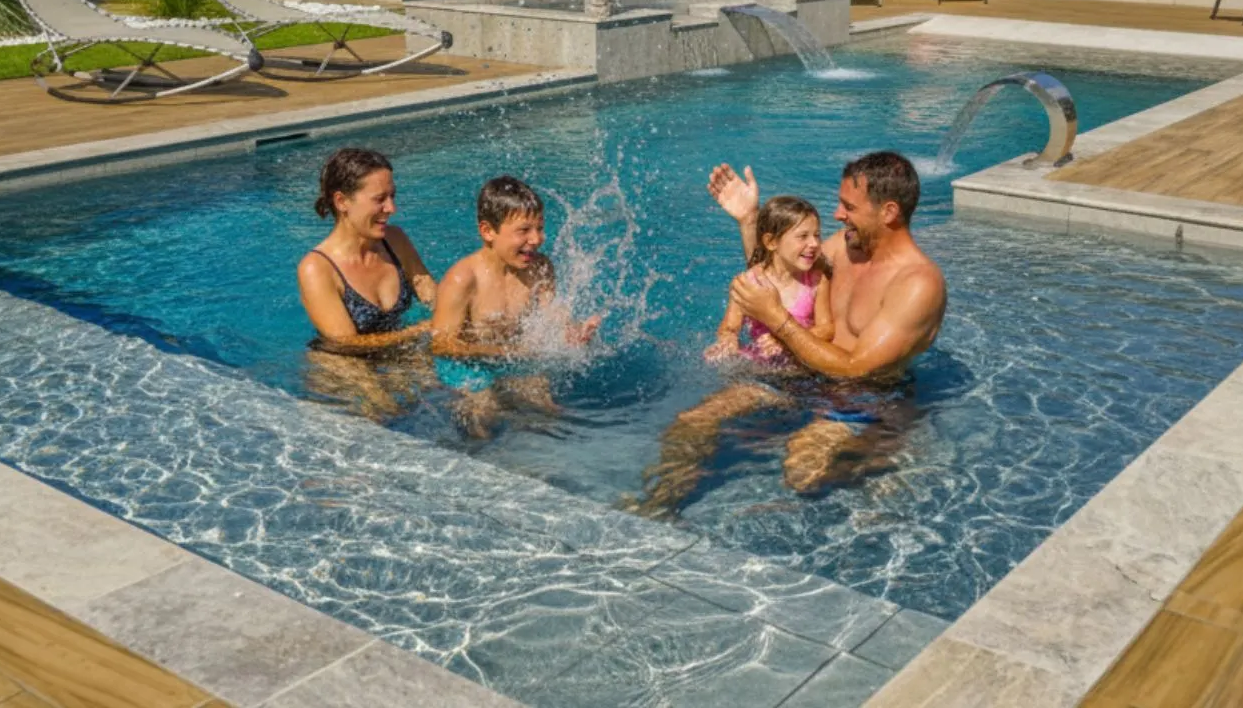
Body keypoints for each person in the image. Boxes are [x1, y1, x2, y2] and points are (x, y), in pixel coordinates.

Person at [636, 153, 946, 514]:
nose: (838, 215)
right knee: (693, 422)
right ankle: (657, 506)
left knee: (803, 471)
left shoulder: (917, 283)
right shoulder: (844, 248)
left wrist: (778, 322)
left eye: (849, 207)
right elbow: (775, 277)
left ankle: (888, 457)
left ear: (889, 212)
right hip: (796, 376)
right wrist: (749, 222)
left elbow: (857, 367)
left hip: (862, 398)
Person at [430, 176, 599, 438]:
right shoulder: (463, 279)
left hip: (514, 359)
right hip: (467, 365)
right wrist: (502, 352)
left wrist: (572, 331)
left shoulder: (540, 268)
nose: (536, 239)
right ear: (488, 231)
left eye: (540, 228)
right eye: (524, 230)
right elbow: (441, 345)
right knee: (482, 415)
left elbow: (551, 313)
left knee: (548, 413)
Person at [297, 148, 439, 353]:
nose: (391, 208)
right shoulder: (317, 268)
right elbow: (345, 344)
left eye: (392, 196)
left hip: (400, 353)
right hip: (346, 365)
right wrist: (419, 330)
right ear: (342, 201)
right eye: (380, 199)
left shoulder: (395, 240)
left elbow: (431, 295)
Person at [706, 196, 832, 368]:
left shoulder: (816, 281)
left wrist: (786, 341)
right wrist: (728, 340)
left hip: (799, 367)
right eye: (803, 236)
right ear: (771, 242)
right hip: (759, 365)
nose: (814, 243)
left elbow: (827, 329)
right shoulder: (748, 283)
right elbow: (729, 327)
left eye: (817, 235)